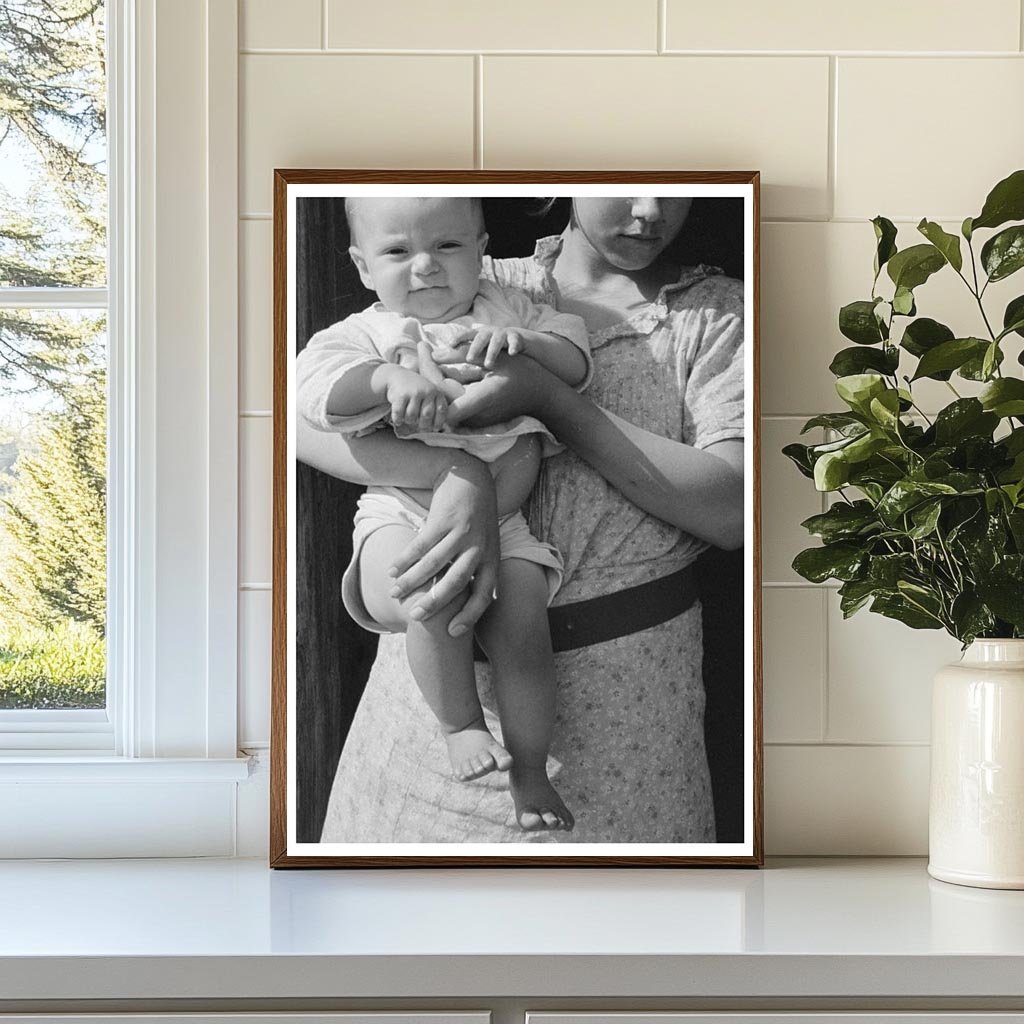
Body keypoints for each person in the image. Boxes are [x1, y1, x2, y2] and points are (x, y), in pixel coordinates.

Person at [299, 196, 746, 844]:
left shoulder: (714, 313)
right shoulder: (474, 276)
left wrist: (544, 395)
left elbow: (729, 511)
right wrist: (457, 475)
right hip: (427, 721)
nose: (650, 209)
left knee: (632, 939)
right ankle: (463, 730)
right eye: (625, 182)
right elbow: (297, 422)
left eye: (674, 187)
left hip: (630, 706)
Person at [295, 197, 589, 832]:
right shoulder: (364, 333)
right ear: (363, 266)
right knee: (426, 594)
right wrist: (382, 382)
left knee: (525, 619)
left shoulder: (508, 311)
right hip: (402, 513)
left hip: (506, 527)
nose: (425, 266)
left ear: (481, 247)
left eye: (448, 246)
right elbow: (311, 392)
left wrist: (531, 346)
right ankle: (459, 725)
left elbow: (576, 357)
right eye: (398, 251)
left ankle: (532, 769)